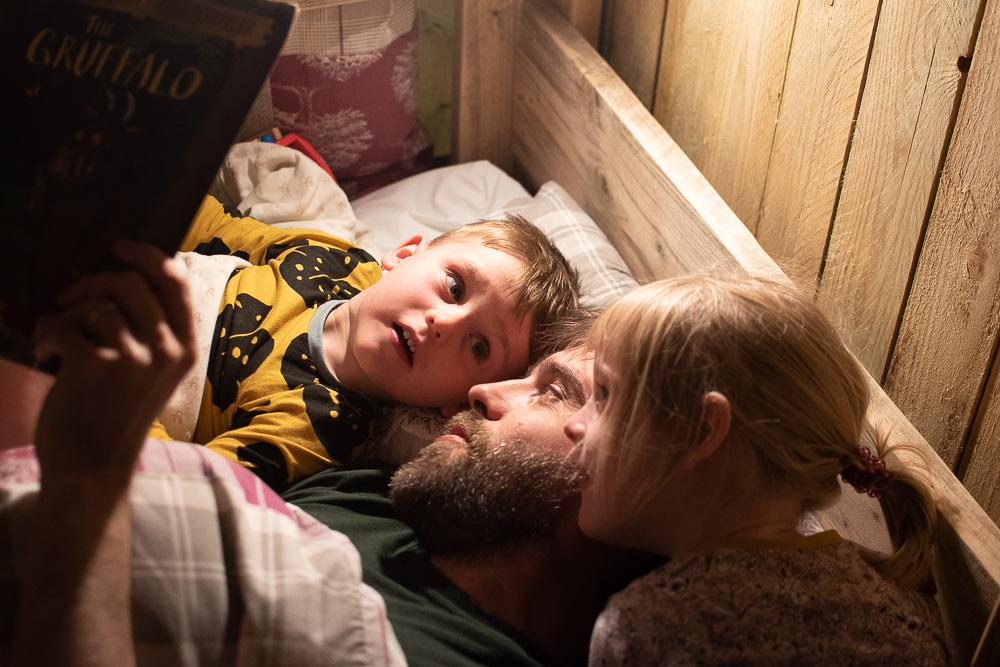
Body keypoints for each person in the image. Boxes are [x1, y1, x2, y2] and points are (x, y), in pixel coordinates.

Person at [5, 250, 647, 667]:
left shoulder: (435, 650)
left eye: (553, 391)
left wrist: (87, 474)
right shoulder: (387, 493)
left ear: (631, 483)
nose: (480, 393)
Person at [563, 274, 950, 665]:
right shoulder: (906, 613)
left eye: (604, 394)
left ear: (700, 431)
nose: (574, 424)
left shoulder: (643, 631)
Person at [150, 195, 580, 491]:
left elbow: (182, 484)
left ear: (458, 403)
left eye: (479, 346)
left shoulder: (325, 427)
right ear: (404, 255)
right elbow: (213, 226)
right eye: (454, 285)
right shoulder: (335, 261)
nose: (444, 324)